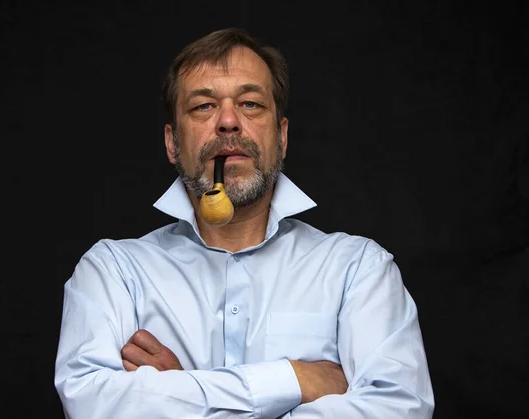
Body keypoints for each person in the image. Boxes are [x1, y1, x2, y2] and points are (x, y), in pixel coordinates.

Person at [54, 27, 434, 418]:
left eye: (250, 104)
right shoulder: (113, 272)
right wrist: (294, 380)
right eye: (203, 106)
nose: (229, 122)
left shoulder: (358, 269)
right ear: (172, 144)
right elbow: (92, 404)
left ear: (282, 137)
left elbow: (397, 409)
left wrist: (181, 391)